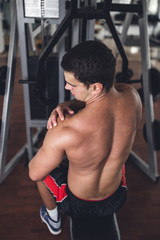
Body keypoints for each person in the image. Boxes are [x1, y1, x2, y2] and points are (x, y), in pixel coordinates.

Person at [28, 40, 142, 235]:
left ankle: (53, 219)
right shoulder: (132, 96)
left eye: (72, 85)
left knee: (40, 171)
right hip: (117, 195)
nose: (66, 87)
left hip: (79, 204)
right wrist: (71, 103)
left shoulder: (65, 130)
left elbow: (34, 173)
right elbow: (108, 96)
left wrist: (68, 108)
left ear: (95, 87)